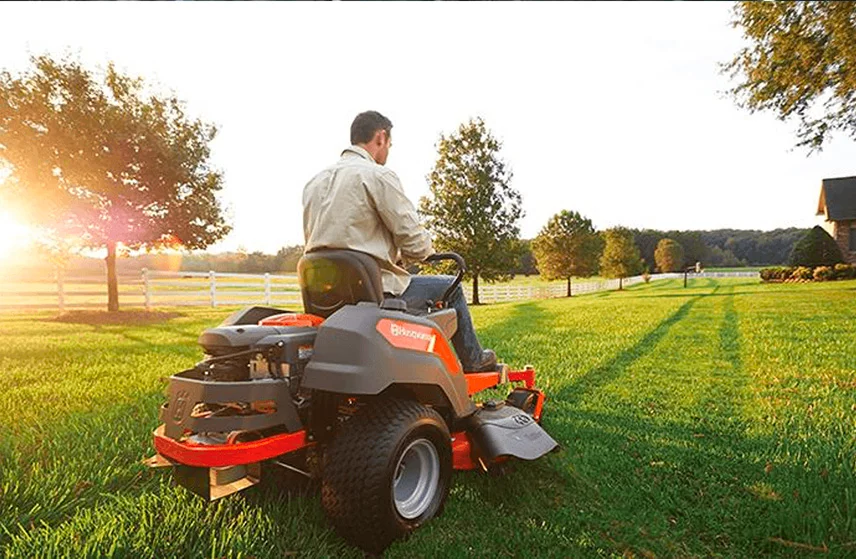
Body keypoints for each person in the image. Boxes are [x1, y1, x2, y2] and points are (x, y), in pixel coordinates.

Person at [302, 110, 497, 372]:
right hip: (375, 294)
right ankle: (473, 361)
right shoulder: (378, 176)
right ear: (381, 137)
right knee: (450, 287)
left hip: (326, 297)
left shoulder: (314, 183)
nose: (388, 151)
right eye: (390, 145)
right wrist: (426, 250)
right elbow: (415, 243)